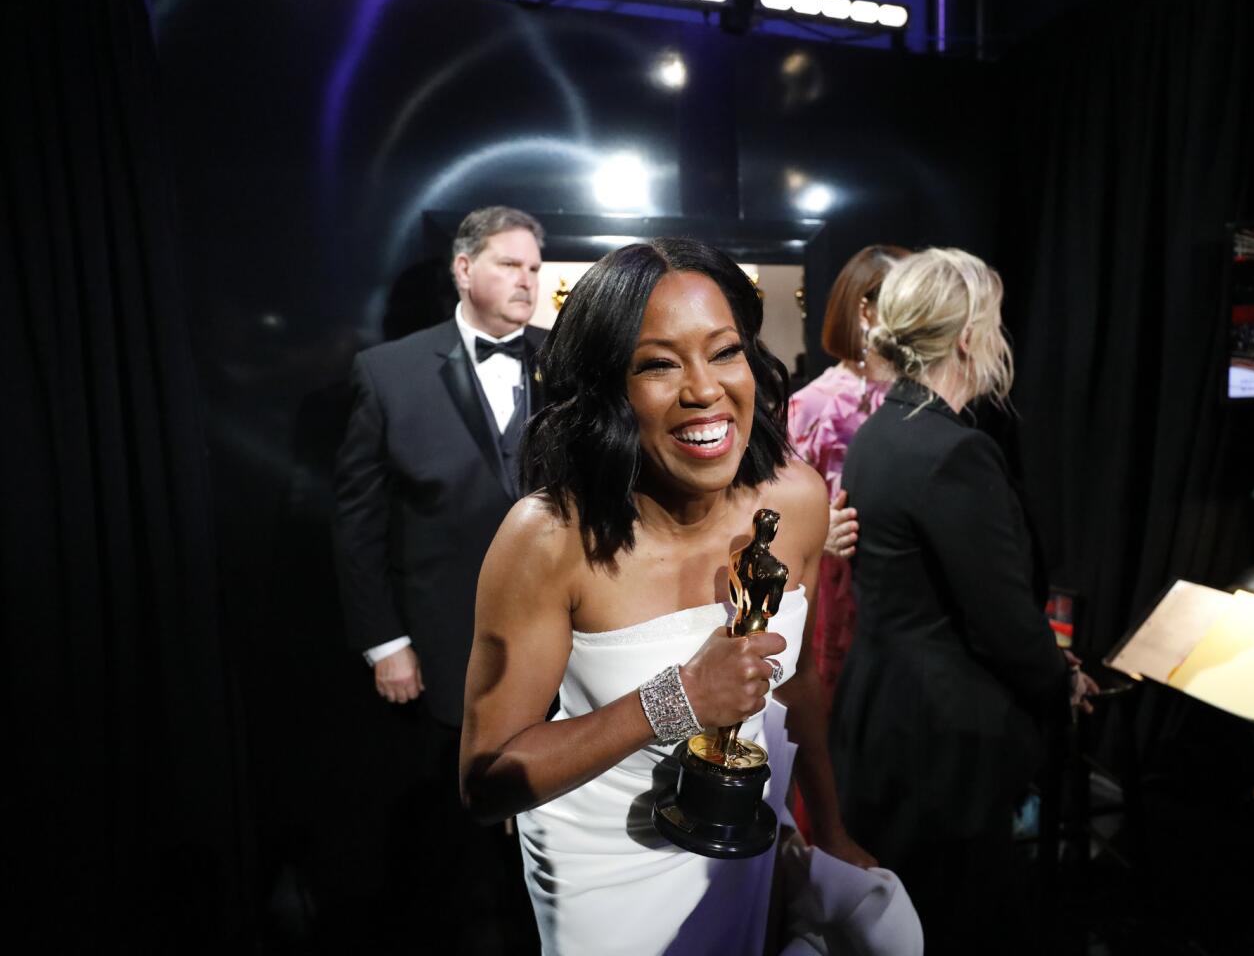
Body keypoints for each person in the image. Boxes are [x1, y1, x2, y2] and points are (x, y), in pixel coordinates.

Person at [458, 238, 877, 956]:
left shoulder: (798, 500)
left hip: (745, 842)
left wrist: (827, 830)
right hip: (605, 870)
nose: (704, 389)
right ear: (606, 388)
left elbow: (798, 682)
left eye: (724, 351)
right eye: (657, 364)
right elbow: (486, 780)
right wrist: (678, 698)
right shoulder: (549, 538)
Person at [832, 247, 1095, 953]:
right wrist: (1062, 679)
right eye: (995, 321)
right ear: (970, 338)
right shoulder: (954, 451)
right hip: (942, 749)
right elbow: (1004, 622)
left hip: (883, 719)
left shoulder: (881, 432)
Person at [332, 205, 546, 950]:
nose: (528, 279)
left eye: (533, 266)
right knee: (459, 849)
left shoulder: (573, 363)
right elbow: (357, 521)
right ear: (464, 270)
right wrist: (384, 640)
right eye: (510, 265)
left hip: (571, 641)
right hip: (447, 644)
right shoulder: (388, 373)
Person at [788, 245, 910, 692]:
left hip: (910, 605)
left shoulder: (923, 398)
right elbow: (763, 520)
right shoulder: (812, 407)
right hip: (840, 606)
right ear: (867, 309)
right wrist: (817, 535)